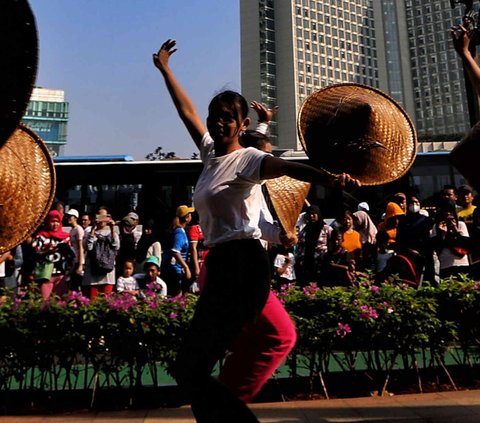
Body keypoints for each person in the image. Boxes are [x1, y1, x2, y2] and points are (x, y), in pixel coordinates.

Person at [153, 39, 359, 422]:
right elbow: (187, 111)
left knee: (194, 366)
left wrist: (331, 180)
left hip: (244, 266)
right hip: (220, 265)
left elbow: (293, 169)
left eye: (228, 117)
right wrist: (166, 70)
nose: (219, 121)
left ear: (242, 124)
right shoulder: (210, 152)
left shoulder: (249, 158)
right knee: (188, 368)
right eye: (217, 115)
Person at [31, 210, 74, 300]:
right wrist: (47, 251)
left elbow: (70, 255)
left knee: (60, 303)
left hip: (61, 274)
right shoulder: (41, 236)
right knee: (44, 303)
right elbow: (34, 253)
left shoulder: (66, 237)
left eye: (57, 221)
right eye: (52, 221)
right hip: (46, 275)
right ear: (48, 222)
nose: (55, 224)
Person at [430, 200, 470, 279]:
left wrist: (456, 231)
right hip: (445, 265)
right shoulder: (436, 227)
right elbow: (435, 248)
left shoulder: (461, 225)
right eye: (446, 211)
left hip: (462, 264)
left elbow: (466, 245)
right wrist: (442, 235)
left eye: (450, 211)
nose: (448, 214)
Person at [82, 213, 120, 299]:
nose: (102, 220)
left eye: (104, 217)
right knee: (92, 301)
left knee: (107, 301)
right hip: (92, 274)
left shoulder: (112, 233)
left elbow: (116, 246)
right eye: (99, 217)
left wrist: (112, 228)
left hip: (107, 274)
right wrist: (93, 229)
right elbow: (88, 247)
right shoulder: (88, 234)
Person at [295, 204, 332, 285]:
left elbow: (332, 243)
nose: (311, 216)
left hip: (321, 262)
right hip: (307, 263)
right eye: (310, 214)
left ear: (318, 214)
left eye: (314, 214)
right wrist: (299, 258)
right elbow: (301, 245)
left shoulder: (326, 229)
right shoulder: (305, 229)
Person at [161, 205, 193, 296]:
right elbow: (175, 251)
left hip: (176, 269)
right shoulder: (179, 232)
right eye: (189, 214)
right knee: (177, 295)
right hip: (174, 270)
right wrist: (186, 267)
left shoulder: (180, 231)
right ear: (187, 218)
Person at [65, 208, 85, 292]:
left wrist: (80, 264)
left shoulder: (78, 229)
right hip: (74, 261)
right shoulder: (72, 230)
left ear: (76, 218)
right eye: (68, 216)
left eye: (71, 216)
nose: (69, 218)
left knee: (77, 285)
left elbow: (81, 247)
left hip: (79, 261)